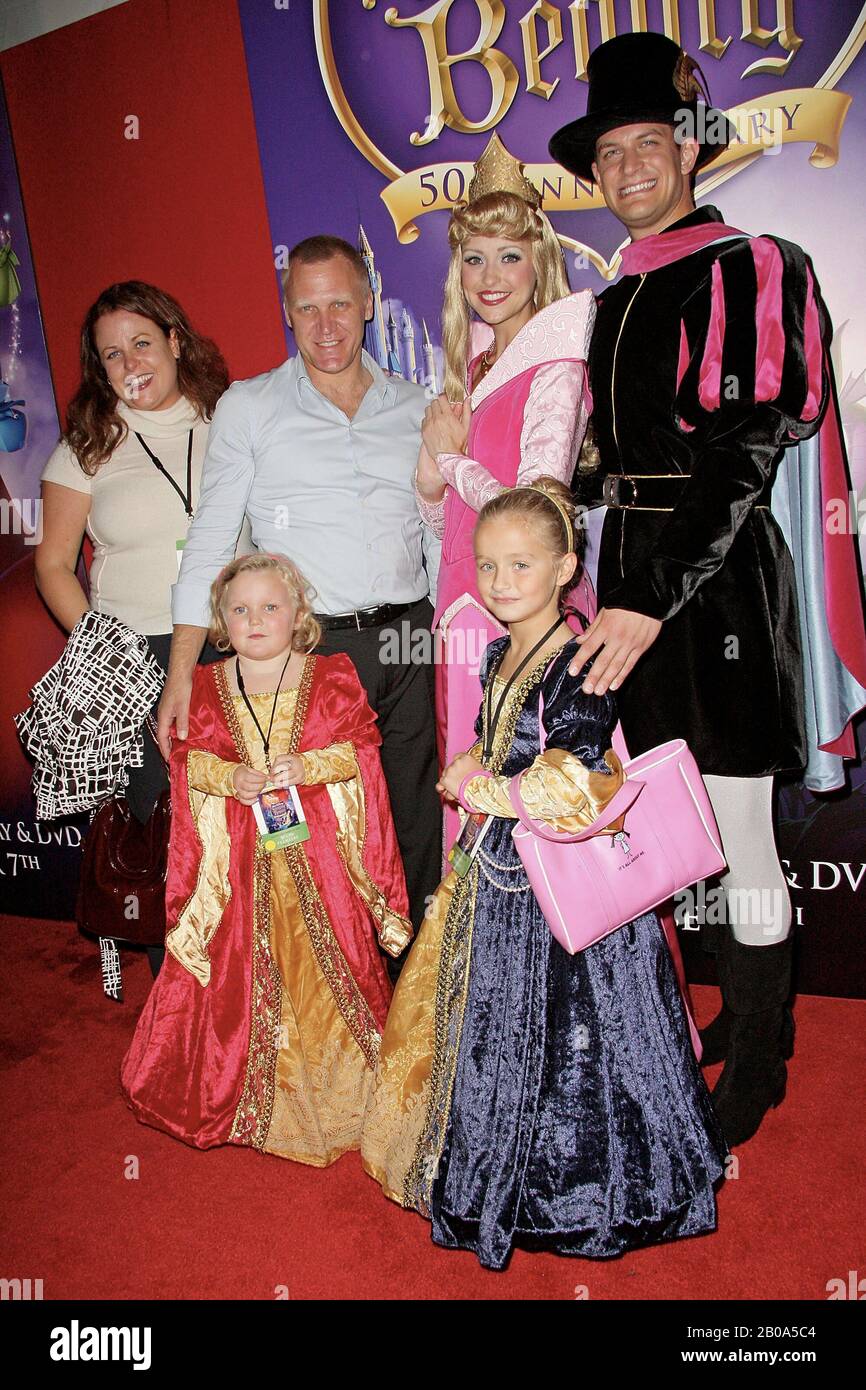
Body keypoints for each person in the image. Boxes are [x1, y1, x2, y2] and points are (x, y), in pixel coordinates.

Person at [548, 32, 866, 1144]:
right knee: (666, 825)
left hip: (715, 583)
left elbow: (741, 449)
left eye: (647, 143)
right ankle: (728, 1010)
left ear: (688, 149)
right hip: (629, 572)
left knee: (736, 825)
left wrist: (649, 596)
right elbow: (604, 458)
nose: (628, 167)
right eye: (608, 152)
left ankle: (762, 1060)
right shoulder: (613, 294)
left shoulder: (751, 264)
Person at [361, 479, 727, 1270]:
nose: (499, 584)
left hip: (562, 885)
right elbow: (506, 747)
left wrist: (477, 787)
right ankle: (499, 1177)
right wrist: (473, 764)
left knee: (582, 1045)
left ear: (566, 568)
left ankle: (594, 1193)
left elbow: (574, 784)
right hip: (495, 872)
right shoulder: (498, 649)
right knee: (493, 1035)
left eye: (521, 566)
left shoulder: (582, 659)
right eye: (487, 566)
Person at [158, 236, 441, 947]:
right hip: (306, 655)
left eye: (341, 304)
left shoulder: (418, 408)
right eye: (306, 309)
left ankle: (423, 999)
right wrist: (183, 676)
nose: (326, 327)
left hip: (410, 640)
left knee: (414, 821)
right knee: (319, 835)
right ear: (288, 313)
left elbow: (443, 538)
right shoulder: (249, 408)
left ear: (369, 301)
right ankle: (339, 1003)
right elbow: (211, 540)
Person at [122, 553, 412, 1164]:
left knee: (327, 972)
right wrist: (230, 777)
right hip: (237, 865)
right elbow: (188, 762)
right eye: (240, 610)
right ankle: (249, 1095)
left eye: (270, 607)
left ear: (298, 614)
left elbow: (359, 753)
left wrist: (308, 765)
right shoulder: (205, 682)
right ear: (221, 623)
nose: (256, 620)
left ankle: (347, 1089)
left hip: (320, 860)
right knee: (244, 970)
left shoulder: (331, 674)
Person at [35, 280, 237, 983]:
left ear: (177, 341)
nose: (131, 364)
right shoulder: (88, 446)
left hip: (231, 647)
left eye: (142, 344)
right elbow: (54, 564)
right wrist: (104, 649)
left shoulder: (230, 421)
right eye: (112, 355)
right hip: (133, 657)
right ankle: (175, 1000)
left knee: (243, 822)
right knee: (164, 837)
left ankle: (252, 986)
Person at [415, 135, 595, 854]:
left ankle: (531, 962)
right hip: (463, 602)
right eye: (474, 257)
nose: (490, 276)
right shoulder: (478, 362)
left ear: (540, 262)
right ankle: (471, 955)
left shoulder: (556, 359)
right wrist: (432, 479)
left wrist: (450, 459)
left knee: (522, 791)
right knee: (472, 783)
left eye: (510, 256)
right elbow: (447, 525)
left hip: (520, 610)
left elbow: (533, 513)